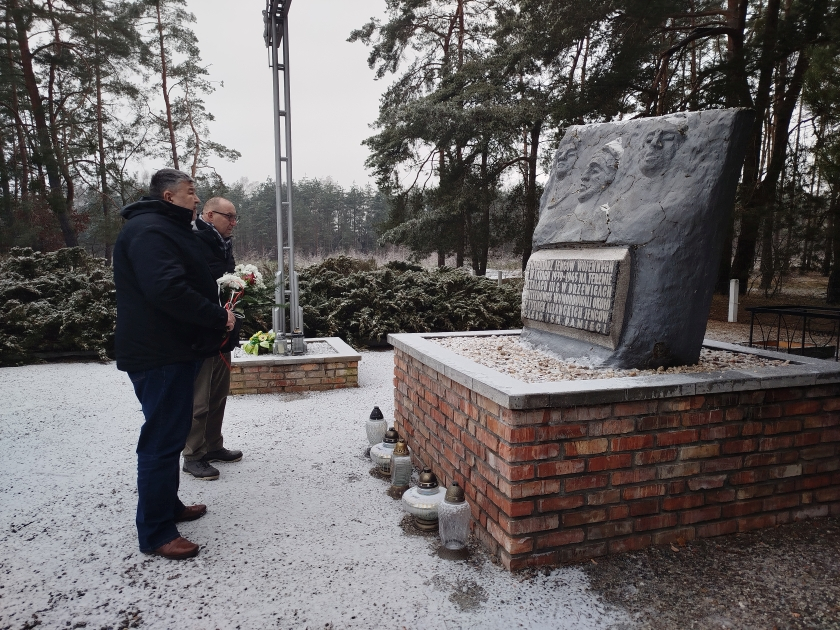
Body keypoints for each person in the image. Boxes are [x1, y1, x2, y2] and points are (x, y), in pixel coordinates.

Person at [113, 168, 236, 560]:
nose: (196, 199)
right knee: (161, 442)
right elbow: (167, 289)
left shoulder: (166, 227)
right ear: (169, 197)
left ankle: (169, 507)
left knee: (170, 434)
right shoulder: (150, 231)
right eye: (190, 192)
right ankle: (155, 533)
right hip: (159, 353)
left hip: (174, 349)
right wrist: (219, 317)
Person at [182, 197, 243, 480]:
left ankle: (213, 445)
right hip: (202, 332)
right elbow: (195, 288)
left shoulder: (222, 243)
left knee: (218, 394)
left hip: (222, 329)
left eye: (234, 217)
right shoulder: (194, 241)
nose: (233, 222)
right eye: (228, 217)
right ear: (208, 215)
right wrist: (217, 315)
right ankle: (193, 454)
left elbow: (225, 280)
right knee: (200, 400)